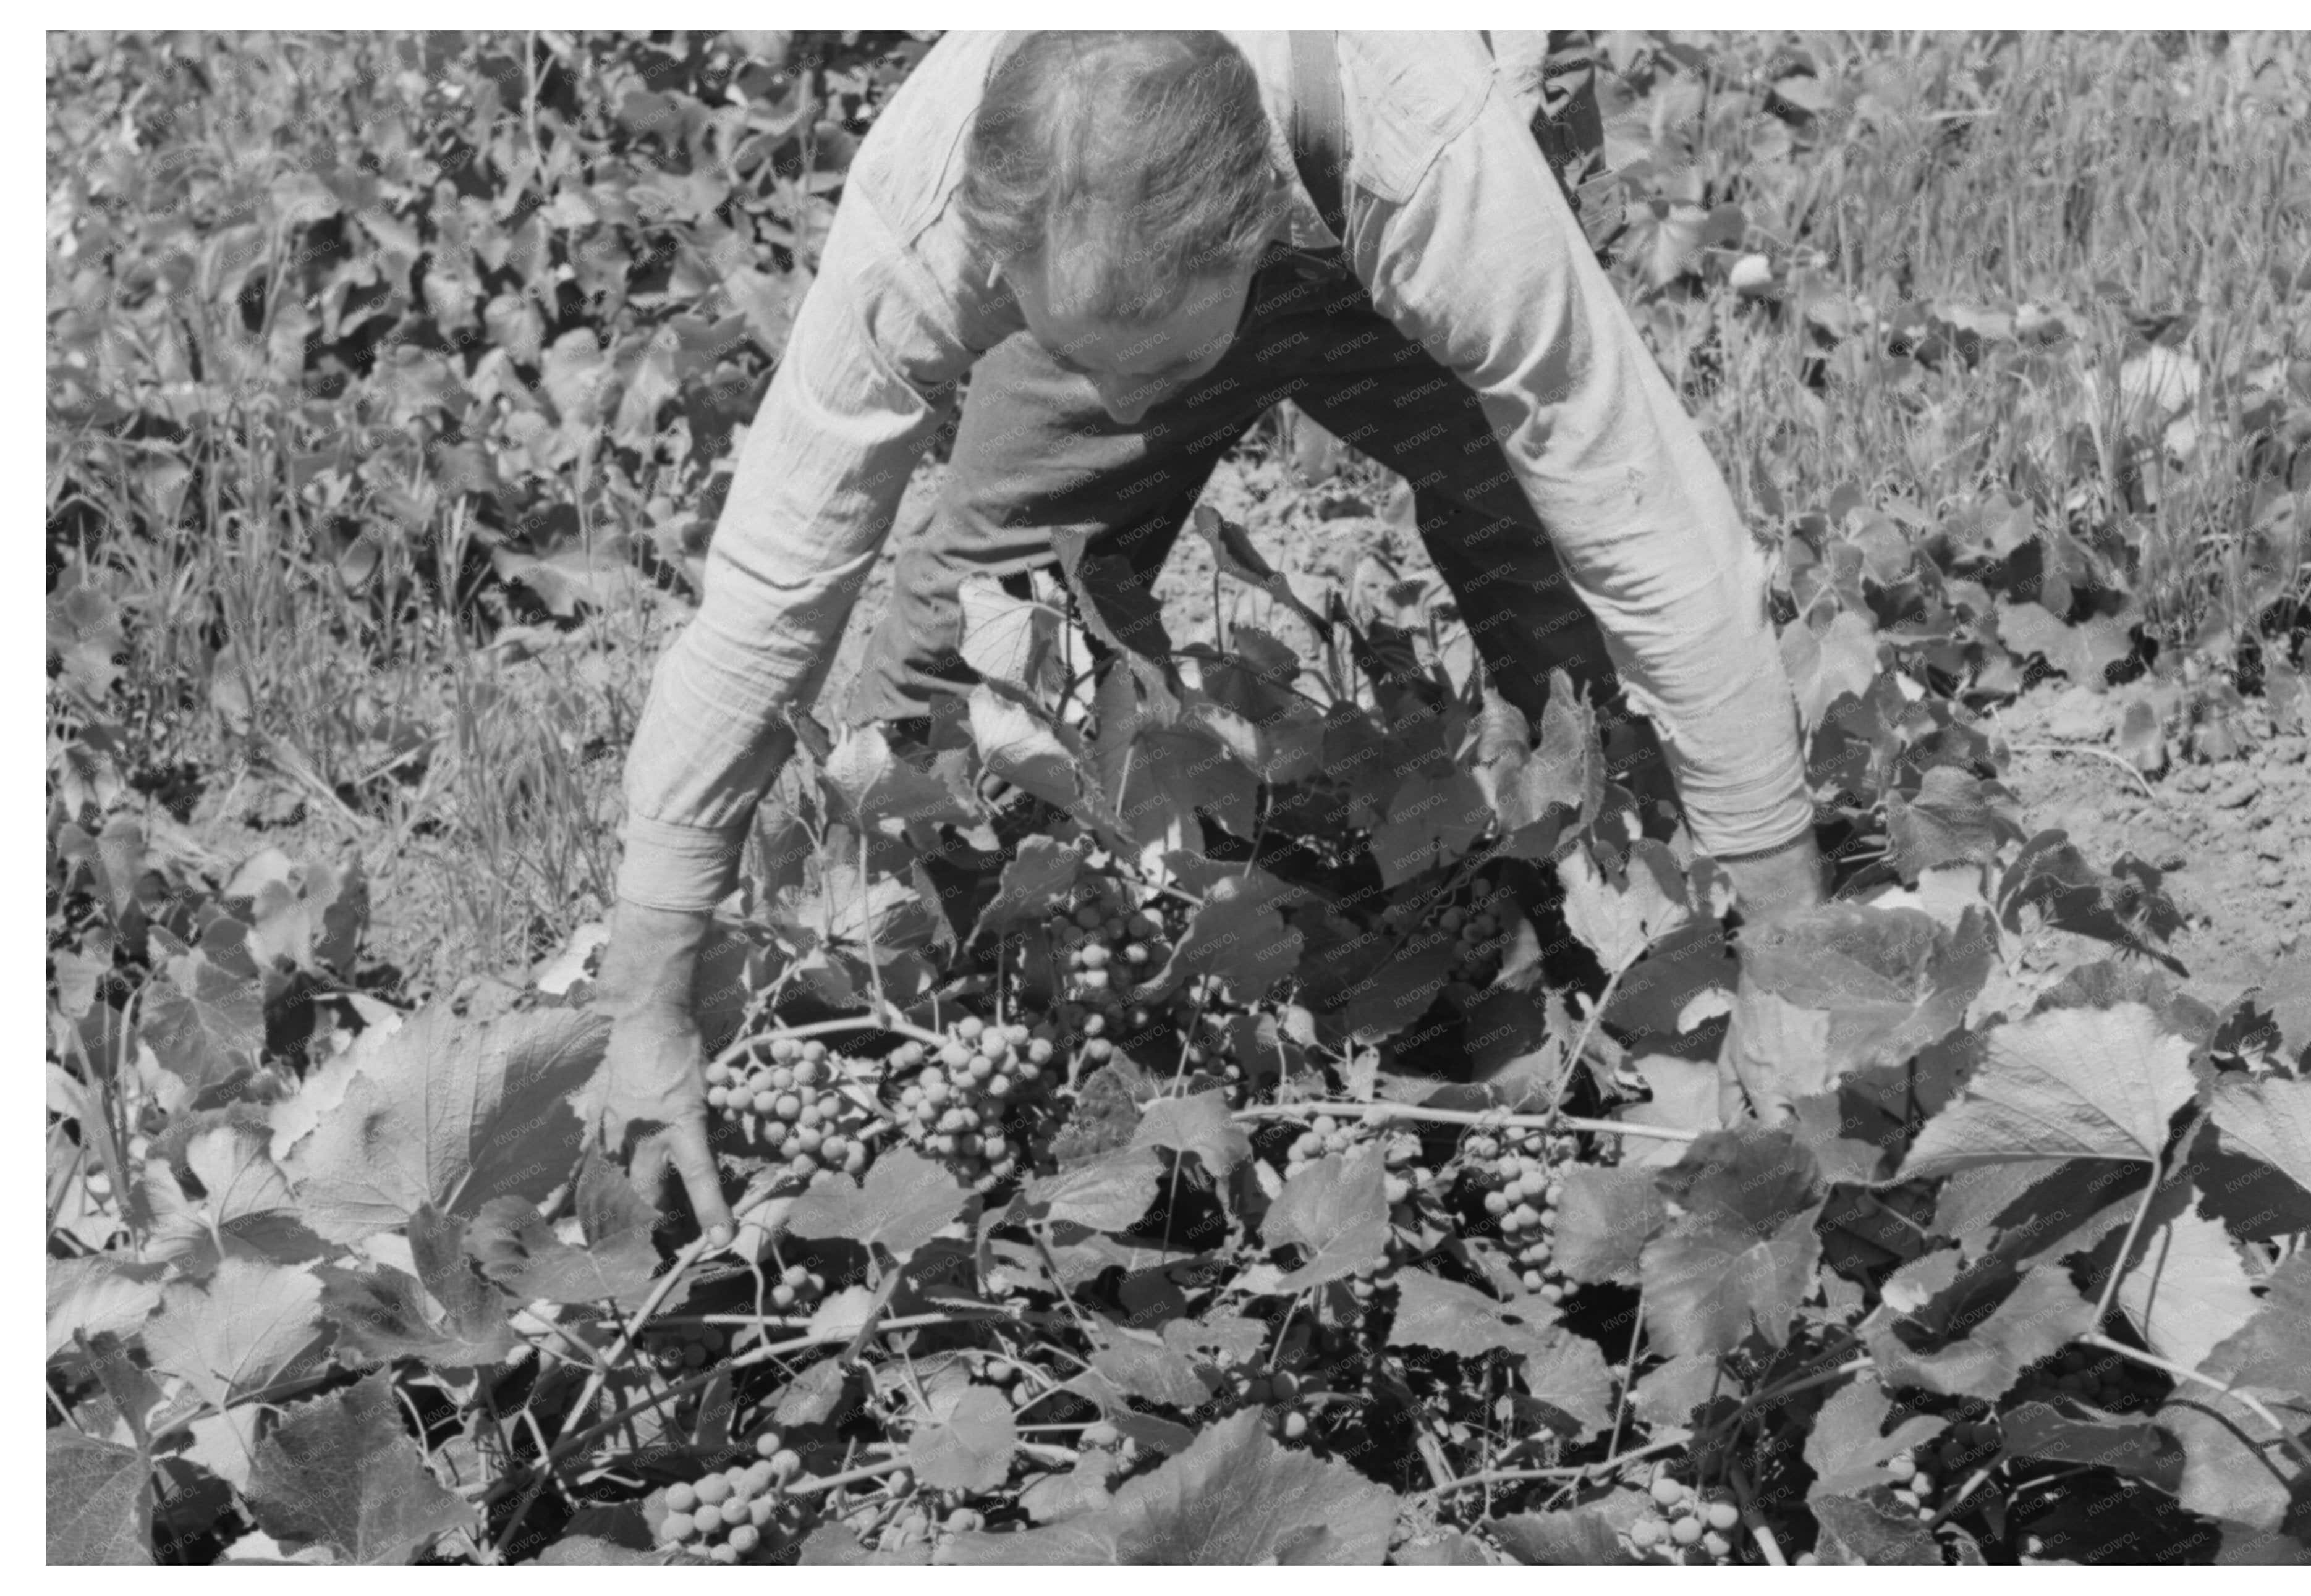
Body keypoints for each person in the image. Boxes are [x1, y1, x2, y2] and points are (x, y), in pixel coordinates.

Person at [589, 32, 1828, 1244]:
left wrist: (1789, 952)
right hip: (1141, 258)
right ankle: (989, 1066)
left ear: (1259, 237)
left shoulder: (1435, 161)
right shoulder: (933, 196)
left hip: (1374, 188)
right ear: (997, 237)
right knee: (957, 679)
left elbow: (1650, 528)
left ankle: (1639, 1017)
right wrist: (644, 993)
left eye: (1165, 364)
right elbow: (774, 580)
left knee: (1563, 606)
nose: (1128, 408)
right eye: (1083, 357)